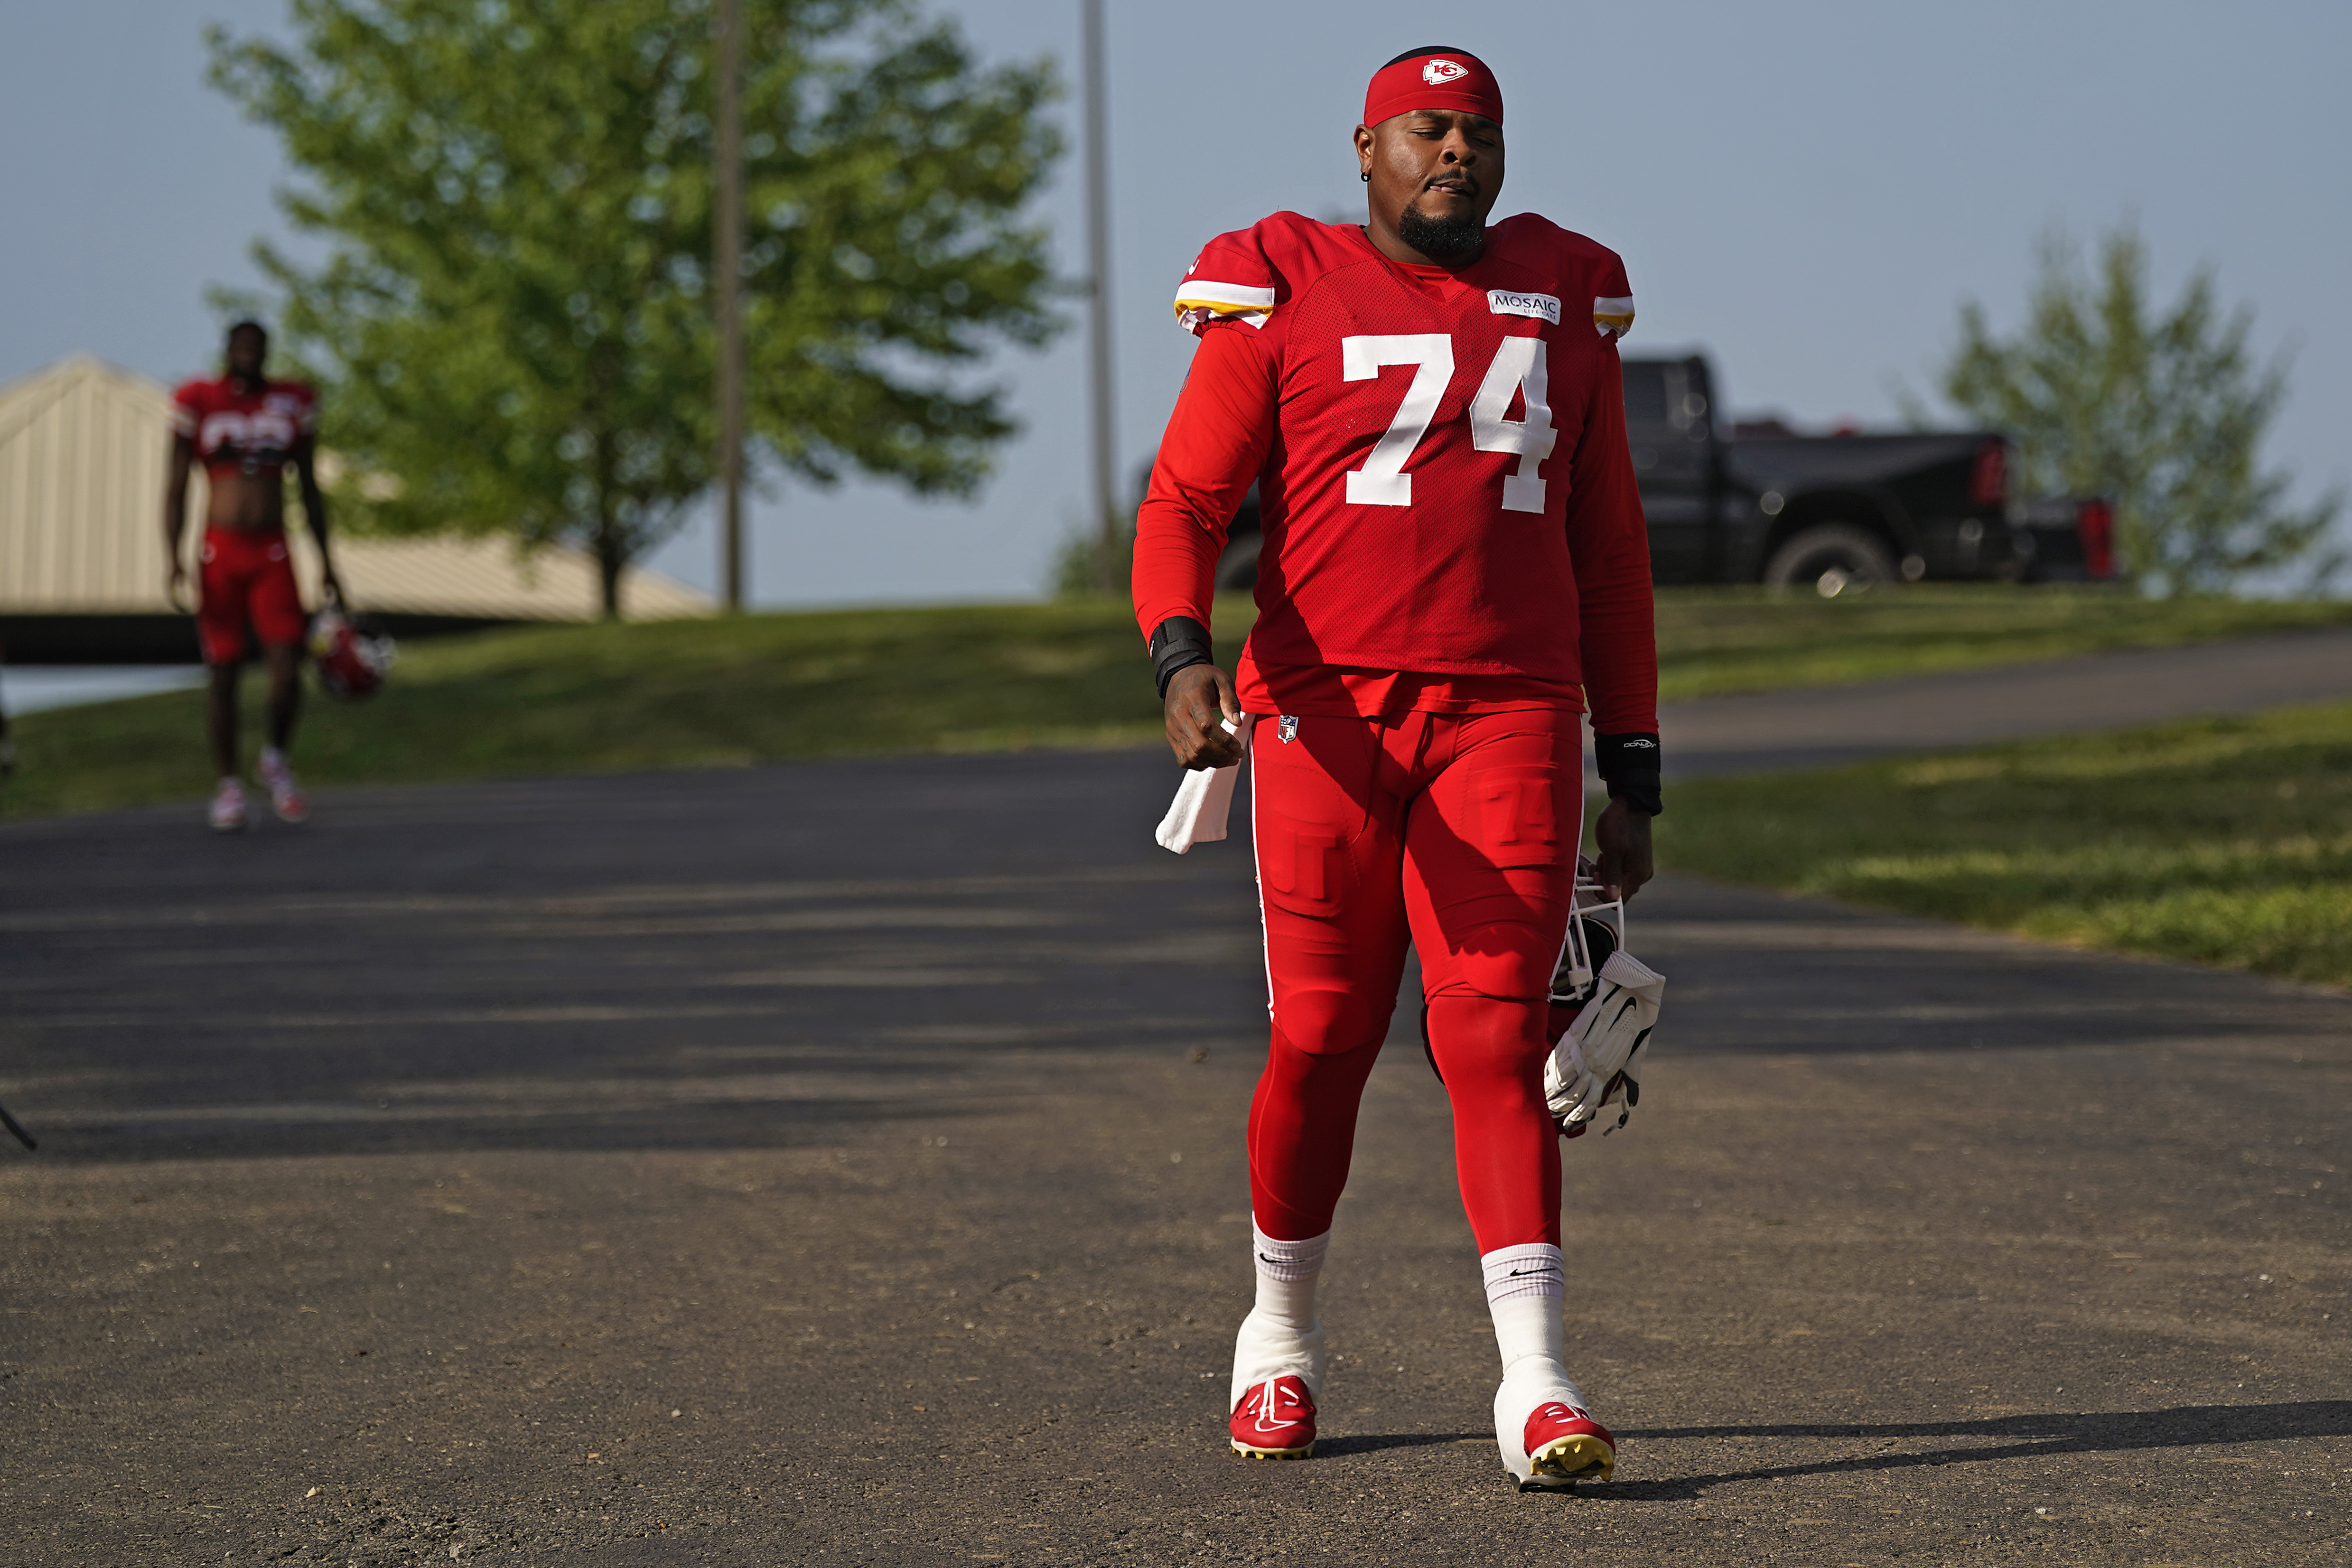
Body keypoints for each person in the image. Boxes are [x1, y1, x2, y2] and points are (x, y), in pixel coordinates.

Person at [1131, 47, 1662, 1489]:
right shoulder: (1281, 280)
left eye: (1479, 134)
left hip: (1506, 713)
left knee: (1490, 1036)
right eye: (1426, 131)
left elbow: (1606, 554)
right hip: (1323, 715)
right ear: (1364, 148)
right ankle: (1278, 1335)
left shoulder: (1562, 293)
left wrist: (1635, 760)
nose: (1456, 155)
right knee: (1322, 1033)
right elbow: (1184, 494)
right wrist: (1181, 655)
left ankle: (1539, 1383)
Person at [166, 320, 339, 831]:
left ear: (266, 353)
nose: (248, 356)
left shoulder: (291, 400)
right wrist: (171, 554)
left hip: (273, 549)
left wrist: (329, 561)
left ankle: (275, 759)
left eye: (256, 349)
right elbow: (174, 485)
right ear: (226, 351)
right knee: (223, 667)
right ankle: (228, 783)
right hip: (220, 548)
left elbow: (309, 487)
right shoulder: (200, 398)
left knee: (288, 660)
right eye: (240, 348)